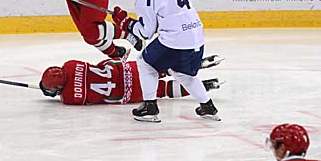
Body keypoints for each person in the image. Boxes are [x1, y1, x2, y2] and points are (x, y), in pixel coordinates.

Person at [111, 0, 220, 123]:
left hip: (175, 41)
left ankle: (150, 107)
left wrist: (126, 23)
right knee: (183, 74)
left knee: (144, 62)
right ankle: (208, 107)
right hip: (197, 36)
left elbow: (146, 33)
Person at [39, 56, 222, 105]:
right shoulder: (70, 65)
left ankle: (204, 87)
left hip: (127, 92)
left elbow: (65, 94)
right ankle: (200, 63)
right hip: (125, 70)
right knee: (166, 68)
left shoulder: (70, 98)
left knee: (164, 90)